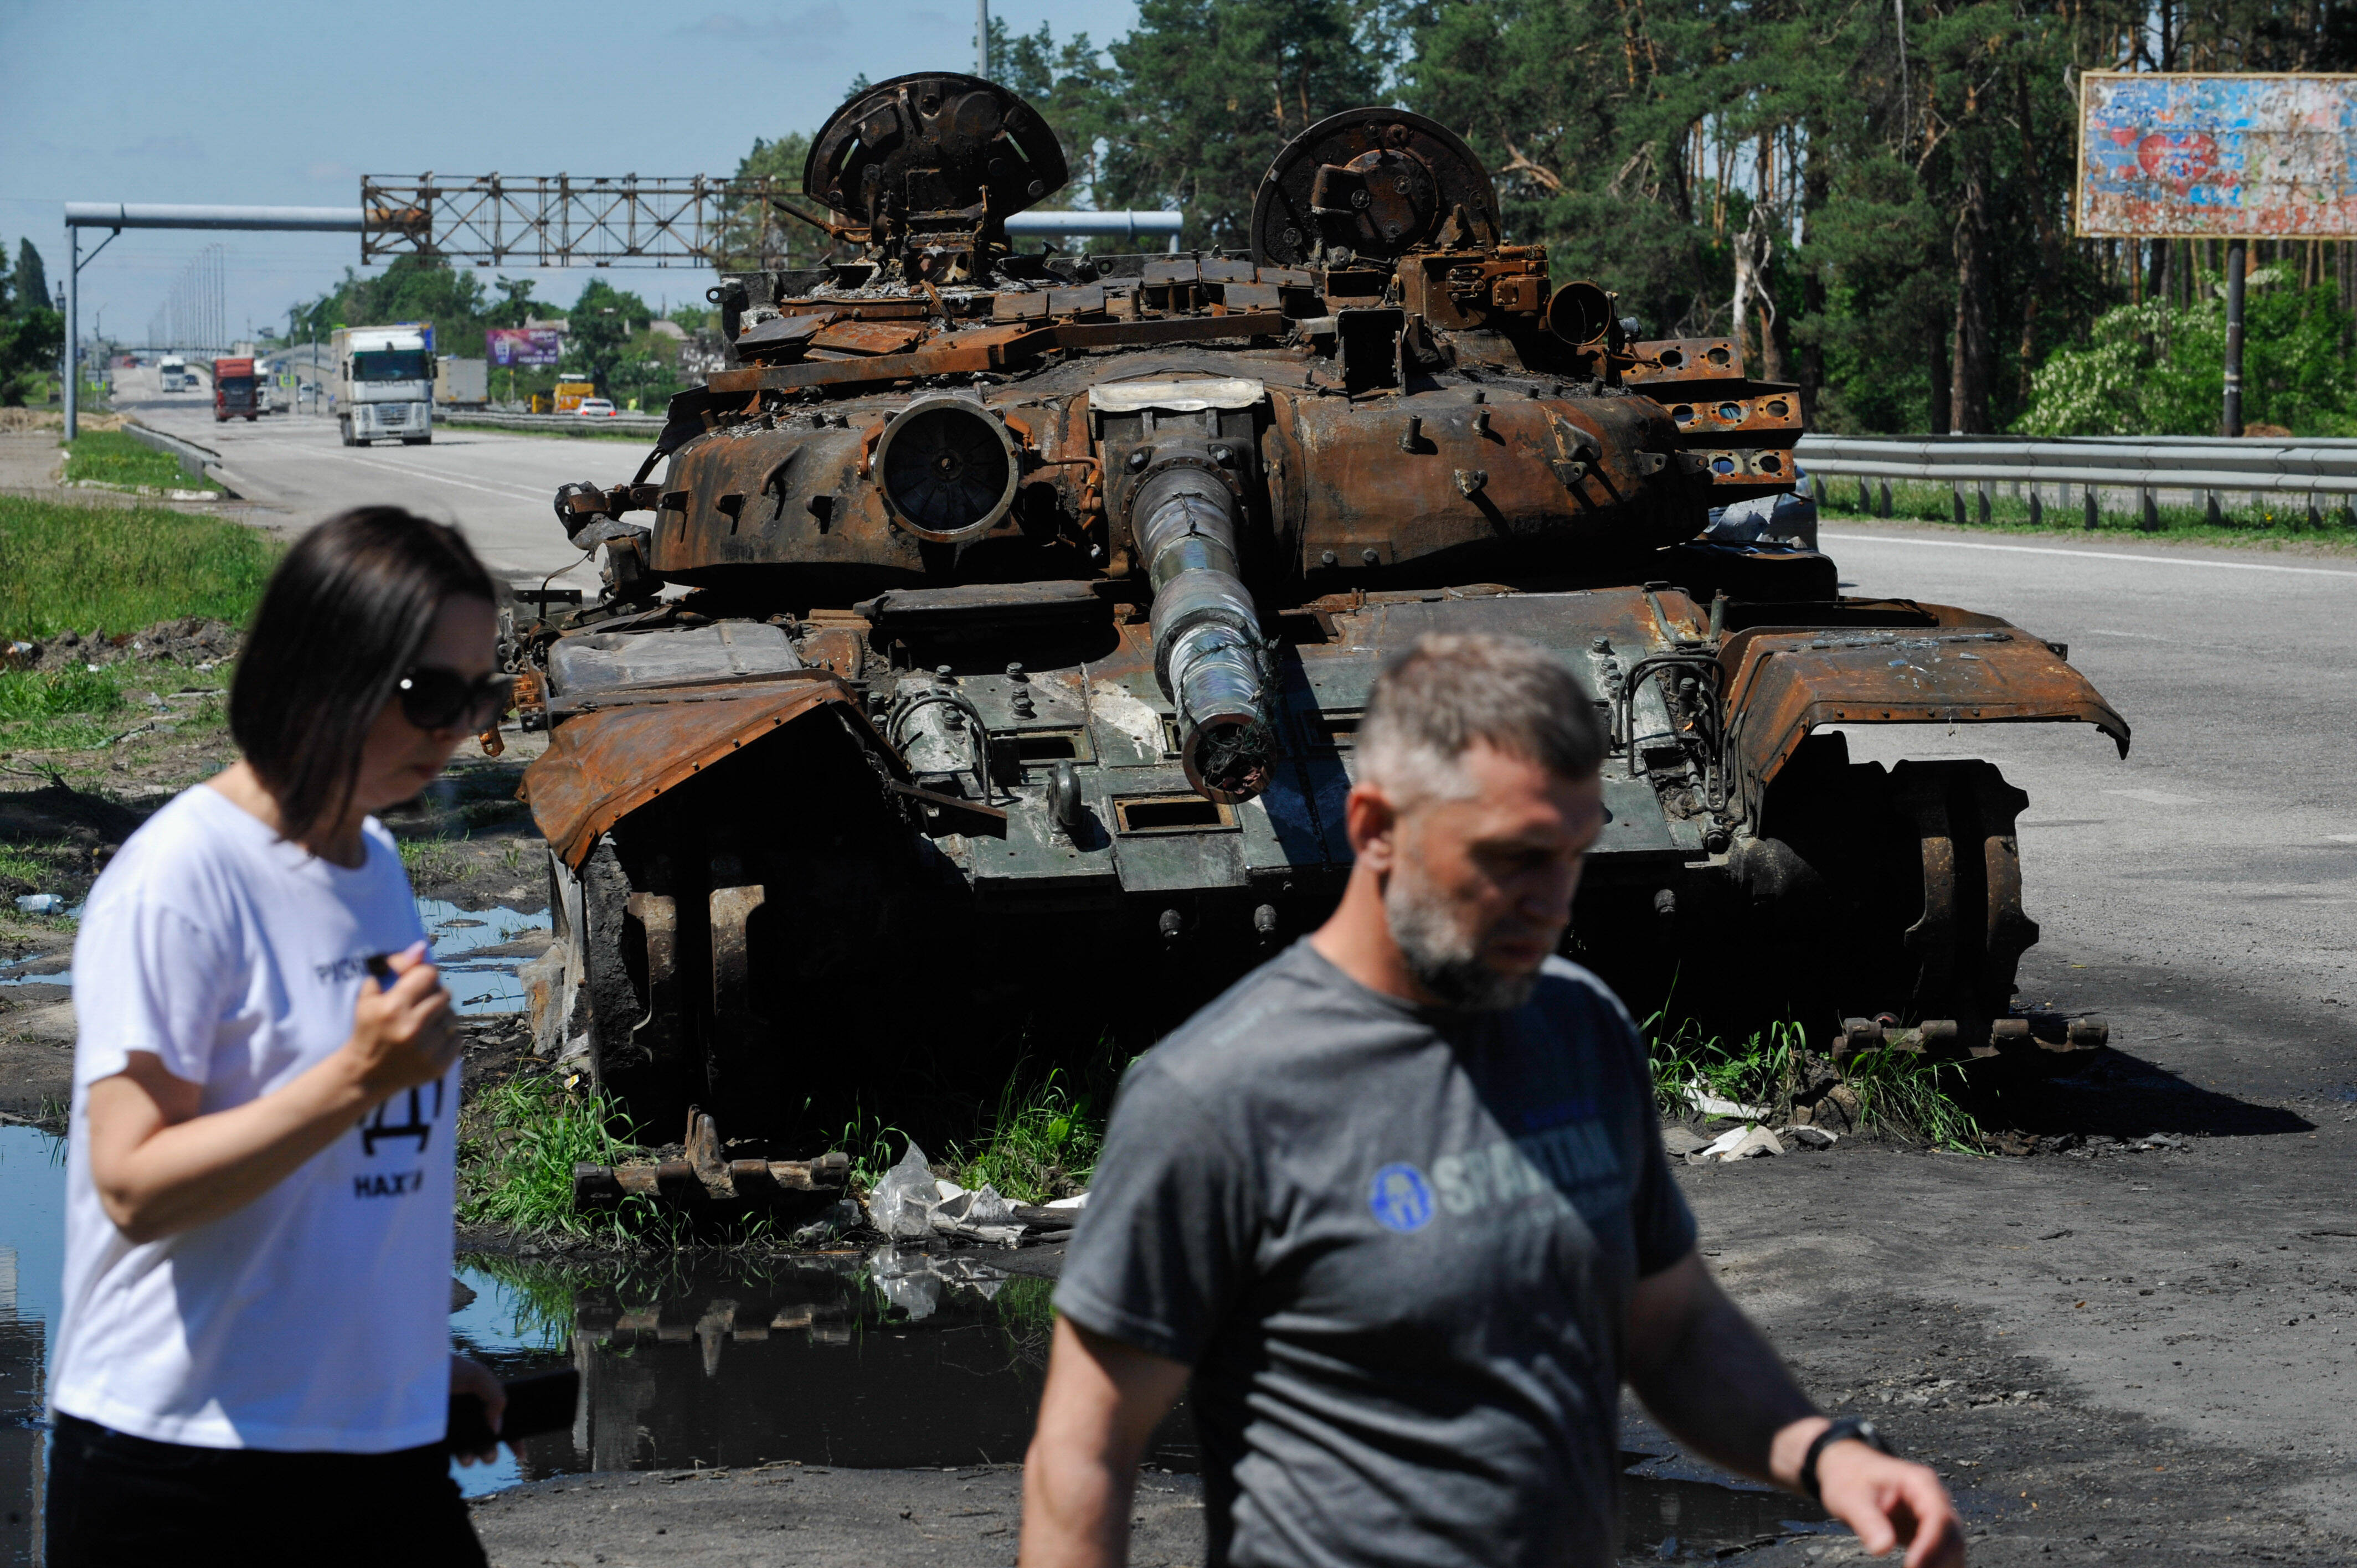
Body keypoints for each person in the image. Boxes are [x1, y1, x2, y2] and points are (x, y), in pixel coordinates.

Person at [1022, 633, 1965, 1568]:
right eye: (1508, 858)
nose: (1551, 903)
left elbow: (1670, 1329)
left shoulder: (1581, 1032)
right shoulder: (1216, 1097)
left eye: (1568, 853)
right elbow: (1085, 1453)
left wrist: (1821, 1453)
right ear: (1373, 828)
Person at [44, 508, 517, 1567]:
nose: (459, 731)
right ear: (325, 675)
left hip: (373, 1445)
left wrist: (411, 1357)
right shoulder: (182, 881)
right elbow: (133, 1187)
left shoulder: (378, 869)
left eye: (485, 695)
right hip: (187, 1467)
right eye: (431, 696)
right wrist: (353, 1079)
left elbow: (350, 1189)